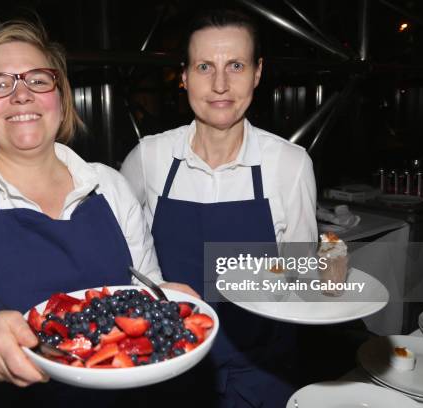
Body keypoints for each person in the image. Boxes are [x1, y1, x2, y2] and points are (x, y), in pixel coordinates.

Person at [0, 22, 195, 408]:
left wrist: (167, 300)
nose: (22, 95)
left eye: (38, 80)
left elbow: (146, 294)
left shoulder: (111, 187)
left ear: (61, 99)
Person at [121, 8, 317, 408]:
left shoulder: (289, 164)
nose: (221, 84)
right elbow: (122, 260)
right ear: (184, 75)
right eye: (205, 66)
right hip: (167, 369)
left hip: (262, 374)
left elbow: (301, 275)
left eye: (237, 65)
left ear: (258, 73)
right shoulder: (149, 158)